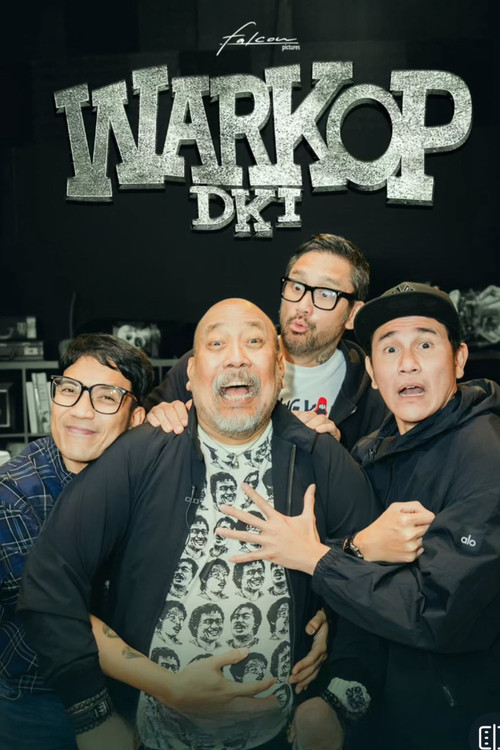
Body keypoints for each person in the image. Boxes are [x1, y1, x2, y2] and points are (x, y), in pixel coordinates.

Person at [18, 298, 381, 750]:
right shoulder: (140, 453)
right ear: (190, 374)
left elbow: (376, 591)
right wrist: (91, 715)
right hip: (147, 735)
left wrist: (335, 705)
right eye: (216, 343)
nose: (236, 357)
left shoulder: (322, 459)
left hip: (282, 738)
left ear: (279, 368)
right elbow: (49, 579)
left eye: (254, 341)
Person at [216, 282, 500, 750]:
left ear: (460, 359)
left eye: (425, 345)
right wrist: (336, 596)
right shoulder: (369, 452)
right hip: (383, 714)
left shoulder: (485, 456)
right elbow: (354, 561)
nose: (406, 363)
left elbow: (437, 612)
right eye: (389, 349)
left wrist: (319, 561)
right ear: (371, 369)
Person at [0, 333, 153, 750]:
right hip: (38, 701)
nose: (81, 410)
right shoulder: (14, 495)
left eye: (105, 397)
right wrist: (172, 686)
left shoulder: (142, 476)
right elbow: (55, 616)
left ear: (136, 417)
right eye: (69, 390)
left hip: (132, 686)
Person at [145, 234, 388, 450]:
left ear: (353, 314)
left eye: (326, 293)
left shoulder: (374, 390)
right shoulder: (212, 361)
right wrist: (158, 419)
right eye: (297, 286)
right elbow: (141, 430)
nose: (303, 306)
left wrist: (338, 455)